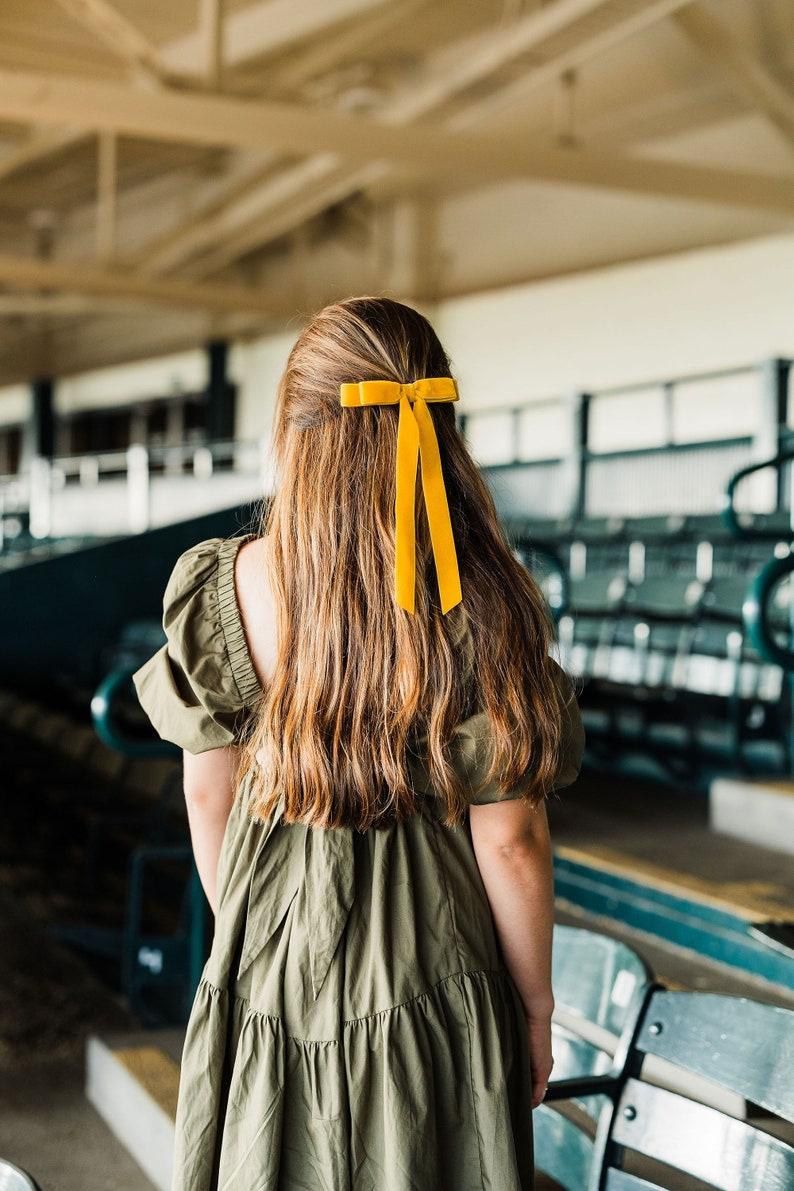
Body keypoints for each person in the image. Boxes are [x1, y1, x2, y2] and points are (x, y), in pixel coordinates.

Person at [133, 296, 584, 1191]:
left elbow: (205, 792)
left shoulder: (227, 584)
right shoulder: (483, 606)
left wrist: (253, 939)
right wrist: (533, 1005)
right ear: (440, 432)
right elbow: (512, 840)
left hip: (268, 957)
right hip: (434, 975)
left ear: (296, 434)